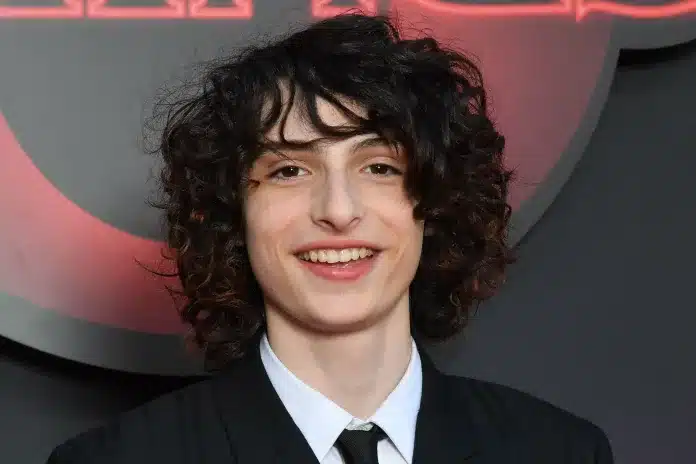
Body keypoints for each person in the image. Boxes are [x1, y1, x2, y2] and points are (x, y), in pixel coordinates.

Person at [46, 12, 614, 464]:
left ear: (437, 204)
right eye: (290, 170)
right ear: (233, 214)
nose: (339, 211)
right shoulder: (117, 459)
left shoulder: (559, 451)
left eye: (379, 167)